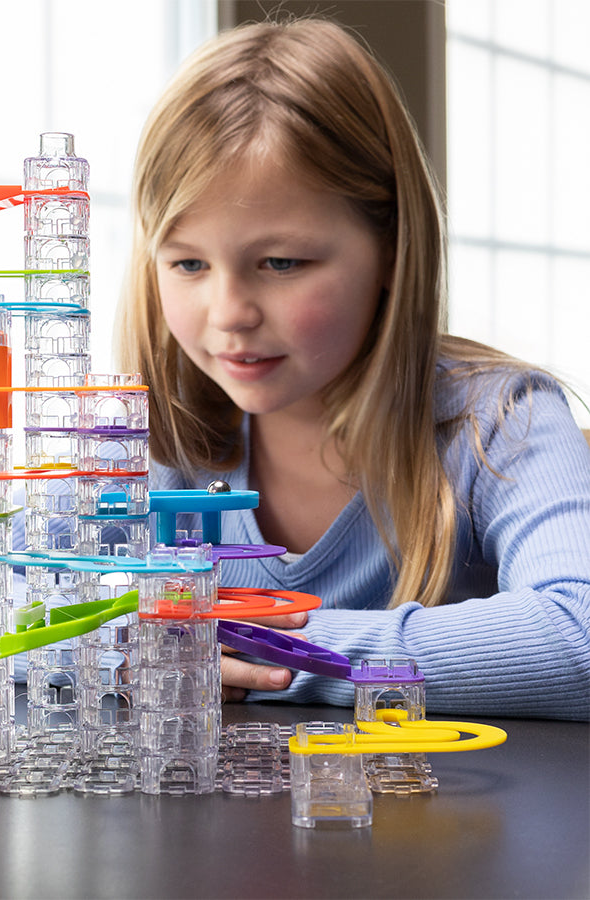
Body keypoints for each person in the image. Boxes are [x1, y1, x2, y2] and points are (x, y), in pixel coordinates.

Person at [115, 18, 590, 720]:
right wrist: (127, 646)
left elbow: (578, 639)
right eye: (188, 263)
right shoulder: (151, 444)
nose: (229, 313)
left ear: (393, 250)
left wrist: (265, 645)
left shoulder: (502, 420)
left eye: (281, 263)